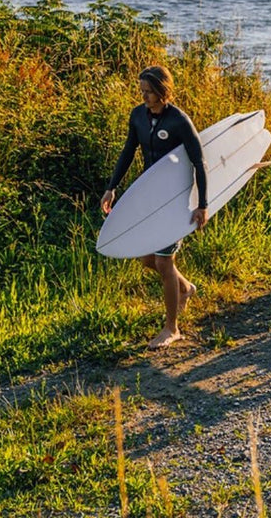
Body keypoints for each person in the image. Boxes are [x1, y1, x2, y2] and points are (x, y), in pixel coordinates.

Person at [101, 65, 208, 348]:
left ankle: (172, 329)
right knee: (146, 258)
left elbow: (200, 162)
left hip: (176, 199)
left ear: (163, 91)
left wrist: (202, 204)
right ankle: (185, 289)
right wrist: (112, 188)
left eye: (149, 92)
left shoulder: (178, 121)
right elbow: (128, 152)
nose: (144, 97)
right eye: (142, 92)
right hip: (151, 197)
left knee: (163, 261)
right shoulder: (138, 116)